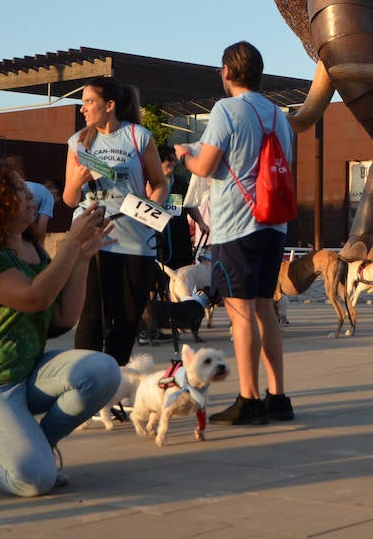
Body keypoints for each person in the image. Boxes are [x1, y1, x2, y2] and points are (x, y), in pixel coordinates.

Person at [0, 160, 119, 497]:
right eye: (18, 189)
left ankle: (38, 446)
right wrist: (70, 245)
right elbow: (33, 298)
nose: (31, 196)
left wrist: (84, 258)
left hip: (25, 376)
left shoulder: (34, 252)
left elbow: (63, 318)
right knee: (34, 480)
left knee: (103, 371)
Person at [175, 42, 295, 425]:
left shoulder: (225, 110)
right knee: (265, 308)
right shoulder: (278, 114)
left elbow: (206, 166)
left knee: (240, 313)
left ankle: (249, 398)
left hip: (237, 226)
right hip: (273, 224)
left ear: (227, 71)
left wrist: (183, 154)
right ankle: (278, 397)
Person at [64, 76, 169, 363]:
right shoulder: (77, 142)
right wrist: (77, 181)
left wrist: (151, 208)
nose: (82, 108)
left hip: (135, 238)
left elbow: (160, 183)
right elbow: (69, 199)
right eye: (82, 102)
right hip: (92, 240)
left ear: (109, 105)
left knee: (127, 319)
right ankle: (87, 385)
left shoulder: (138, 135)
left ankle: (112, 386)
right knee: (91, 317)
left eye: (89, 102)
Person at [23, 182, 60, 247]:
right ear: (56, 192)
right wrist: (40, 250)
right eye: (58, 197)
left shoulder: (32, 186)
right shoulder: (49, 196)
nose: (56, 201)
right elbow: (42, 227)